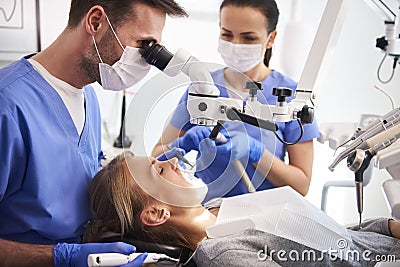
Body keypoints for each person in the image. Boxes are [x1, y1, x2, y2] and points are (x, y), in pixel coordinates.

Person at [0, 0, 187, 266]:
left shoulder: (88, 95)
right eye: (143, 45)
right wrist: (57, 257)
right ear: (96, 22)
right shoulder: (7, 105)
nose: (146, 61)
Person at [85, 152, 400, 266]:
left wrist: (387, 227)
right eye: (159, 169)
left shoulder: (218, 208)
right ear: (156, 214)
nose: (171, 160)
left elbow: (330, 238)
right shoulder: (222, 255)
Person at [151, 0, 320, 202]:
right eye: (227, 35)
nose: (236, 45)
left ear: (271, 38)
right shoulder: (203, 88)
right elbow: (156, 155)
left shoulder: (291, 96)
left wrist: (257, 153)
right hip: (206, 214)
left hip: (264, 217)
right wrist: (183, 143)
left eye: (248, 38)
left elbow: (301, 185)